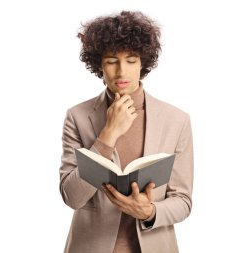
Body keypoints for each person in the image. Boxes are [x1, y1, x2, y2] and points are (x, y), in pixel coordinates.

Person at [59, 10, 194, 253]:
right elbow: (72, 197)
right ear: (99, 64)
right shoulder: (77, 116)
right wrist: (108, 135)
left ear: (143, 63)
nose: (121, 71)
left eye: (131, 60)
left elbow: (183, 201)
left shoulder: (177, 120)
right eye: (112, 61)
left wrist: (149, 212)